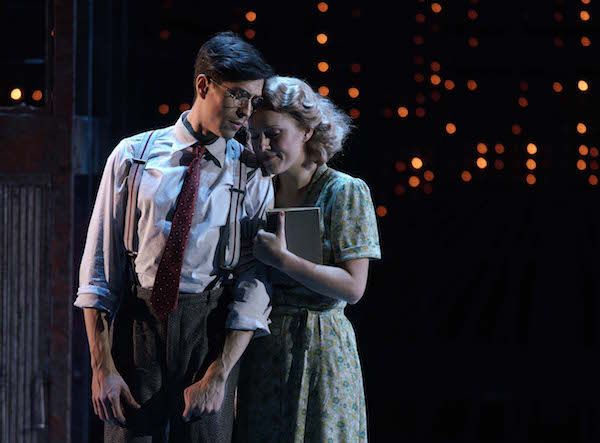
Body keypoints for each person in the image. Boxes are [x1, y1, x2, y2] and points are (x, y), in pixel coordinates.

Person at [74, 31, 274, 442]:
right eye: (238, 95)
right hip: (138, 329)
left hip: (207, 333)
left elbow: (256, 279)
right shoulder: (134, 156)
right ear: (204, 85)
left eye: (254, 101)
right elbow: (97, 272)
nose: (246, 111)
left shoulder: (250, 172)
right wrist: (103, 369)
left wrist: (219, 374)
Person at [236, 76, 381, 442]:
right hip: (264, 351)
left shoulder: (343, 190)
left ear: (306, 131)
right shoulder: (257, 190)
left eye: (273, 133)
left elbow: (353, 287)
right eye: (254, 135)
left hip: (321, 350)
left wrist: (284, 260)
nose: (262, 145)